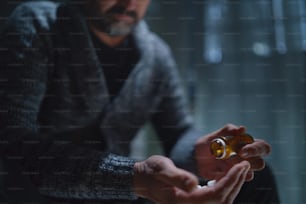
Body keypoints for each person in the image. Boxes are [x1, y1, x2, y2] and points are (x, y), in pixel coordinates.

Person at [0, 0, 279, 203]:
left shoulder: (155, 53)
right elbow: (14, 145)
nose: (129, 2)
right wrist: (134, 178)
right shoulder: (39, 24)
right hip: (43, 194)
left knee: (253, 179)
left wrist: (197, 153)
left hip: (125, 192)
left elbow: (178, 130)